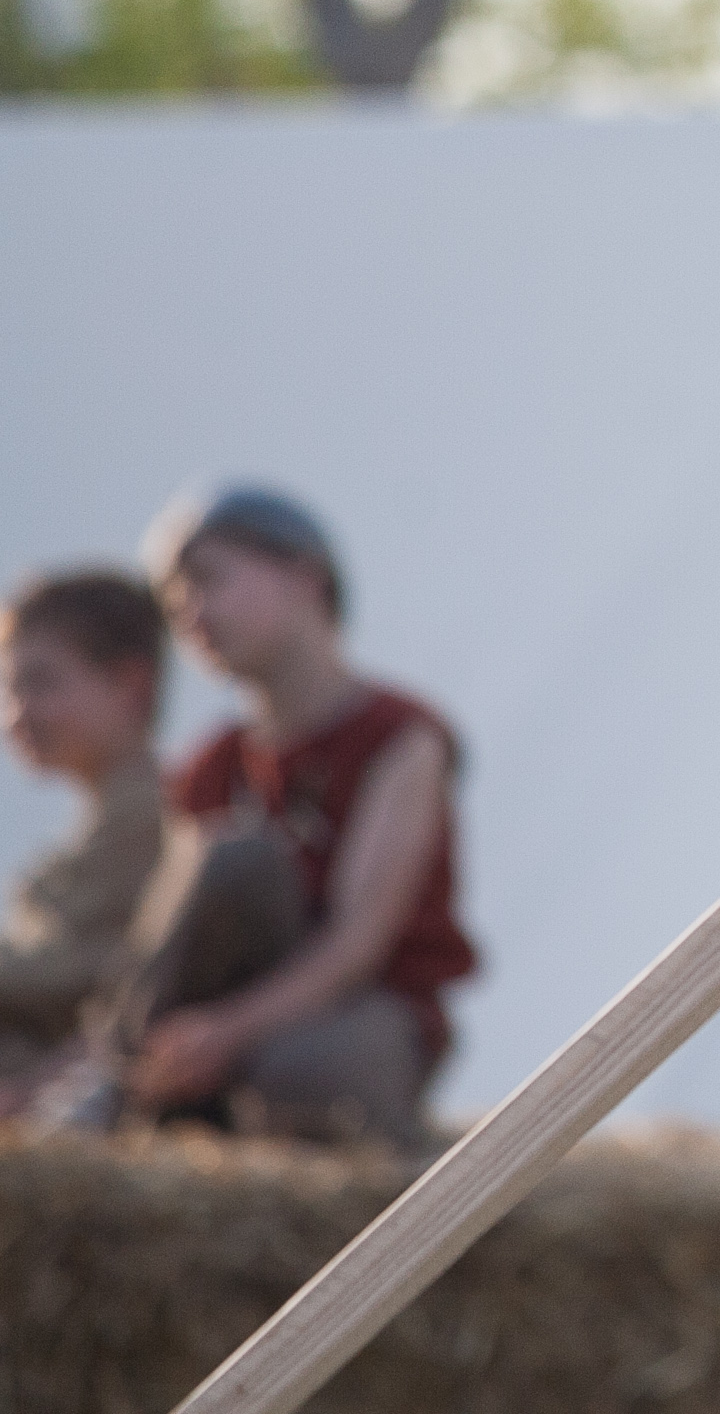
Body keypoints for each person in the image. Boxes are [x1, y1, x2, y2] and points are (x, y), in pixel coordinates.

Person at [101, 487, 476, 1148]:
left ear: (305, 575)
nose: (191, 613)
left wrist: (227, 1034)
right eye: (174, 601)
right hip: (219, 1019)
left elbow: (358, 944)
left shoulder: (399, 737)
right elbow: (157, 949)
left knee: (306, 1075)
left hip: (366, 1008)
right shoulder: (212, 765)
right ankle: (117, 1088)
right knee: (228, 864)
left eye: (207, 579)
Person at [1, 569, 171, 1097]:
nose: (16, 715)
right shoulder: (102, 823)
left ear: (130, 685)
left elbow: (91, 970)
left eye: (41, 682)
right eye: (10, 688)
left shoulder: (152, 815)